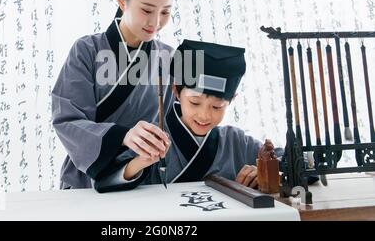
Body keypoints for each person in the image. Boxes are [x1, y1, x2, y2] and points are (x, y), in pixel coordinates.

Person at [52, 0, 182, 189]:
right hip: (86, 180)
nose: (155, 22)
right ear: (121, 0)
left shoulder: (169, 57)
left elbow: (181, 122)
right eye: (146, 10)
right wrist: (123, 135)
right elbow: (67, 120)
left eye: (165, 12)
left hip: (143, 179)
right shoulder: (86, 50)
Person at [94, 39, 281, 193]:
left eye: (217, 106)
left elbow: (289, 162)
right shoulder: (153, 137)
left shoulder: (237, 142)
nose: (205, 115)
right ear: (176, 91)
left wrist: (266, 171)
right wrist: (140, 162)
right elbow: (105, 181)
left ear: (232, 100)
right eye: (195, 103)